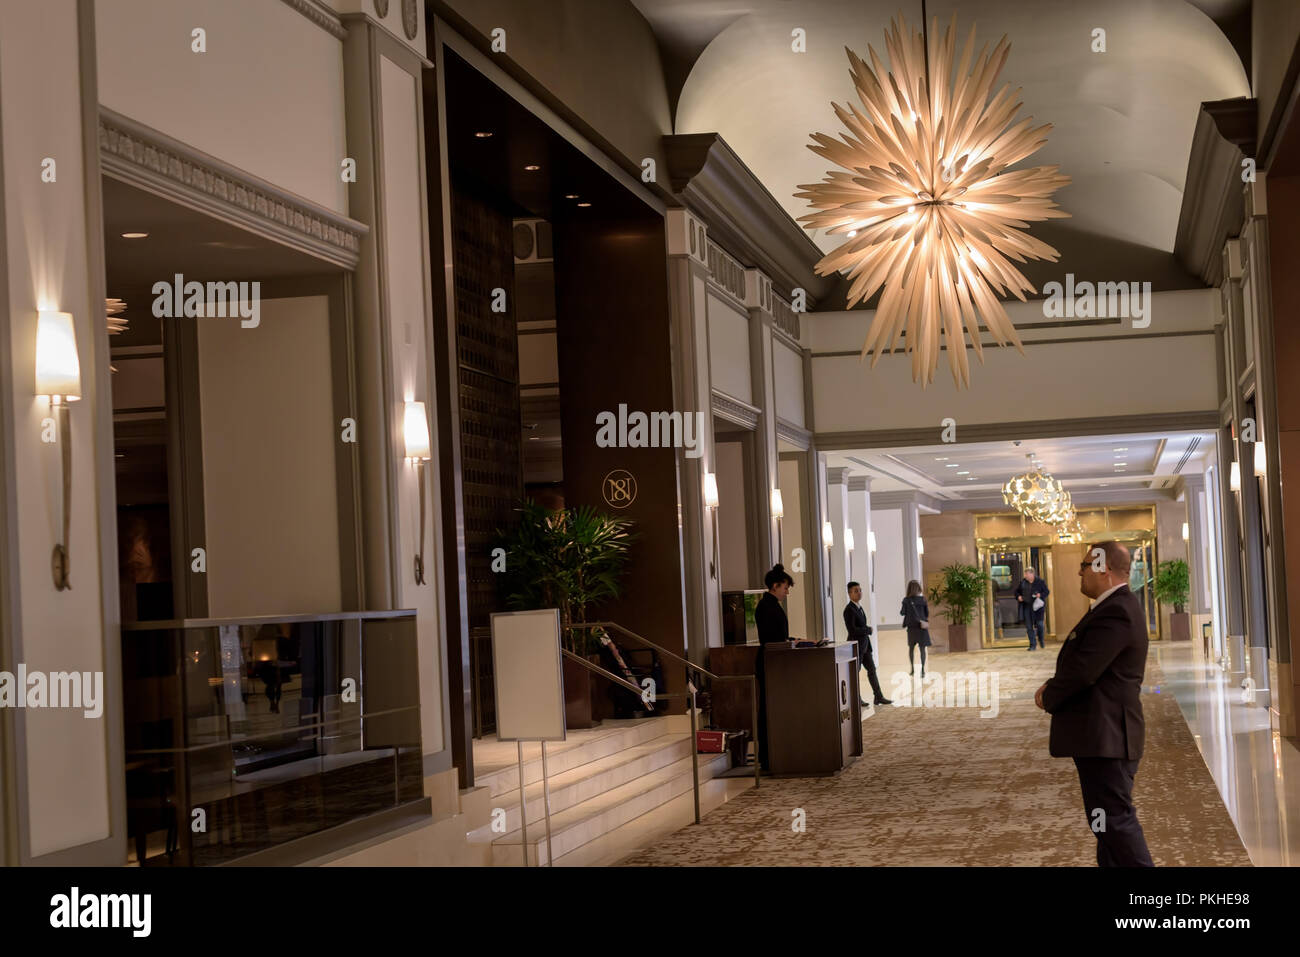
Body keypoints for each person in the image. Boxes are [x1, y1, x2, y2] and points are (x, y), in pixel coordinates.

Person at [1035, 541, 1153, 867]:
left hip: (1108, 737)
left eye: (1085, 566)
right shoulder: (1111, 607)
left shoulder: (1116, 609)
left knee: (1115, 821)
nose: (1080, 572)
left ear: (1103, 568)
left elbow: (1085, 669)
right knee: (1104, 823)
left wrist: (1050, 694)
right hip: (1101, 736)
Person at [754, 564, 795, 771]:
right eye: (785, 587)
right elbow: (772, 639)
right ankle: (768, 757)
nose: (787, 592)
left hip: (774, 660)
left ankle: (774, 754)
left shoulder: (771, 605)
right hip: (770, 662)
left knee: (773, 709)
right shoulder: (766, 607)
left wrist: (796, 640)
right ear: (775, 586)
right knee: (769, 710)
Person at [844, 581, 891, 706]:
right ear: (849, 594)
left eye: (860, 590)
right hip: (856, 647)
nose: (859, 593)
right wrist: (868, 630)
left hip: (865, 646)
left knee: (872, 670)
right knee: (855, 673)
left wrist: (866, 630)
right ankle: (856, 699)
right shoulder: (849, 610)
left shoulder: (859, 607)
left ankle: (878, 696)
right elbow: (852, 630)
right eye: (856, 591)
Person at [900, 580, 930, 678]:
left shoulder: (906, 600)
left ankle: (912, 669)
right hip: (922, 628)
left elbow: (902, 612)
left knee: (911, 649)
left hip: (912, 628)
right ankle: (922, 670)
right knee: (922, 650)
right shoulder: (923, 600)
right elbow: (927, 614)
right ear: (918, 588)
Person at [1017, 566, 1050, 650]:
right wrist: (1019, 596)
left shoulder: (1040, 582)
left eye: (1027, 574)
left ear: (1032, 574)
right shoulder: (1023, 582)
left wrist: (1040, 595)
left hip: (1037, 607)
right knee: (1029, 626)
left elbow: (1046, 591)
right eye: (1025, 574)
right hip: (1027, 606)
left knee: (1040, 624)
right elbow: (1017, 591)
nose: (1025, 576)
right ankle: (1032, 645)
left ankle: (1041, 639)